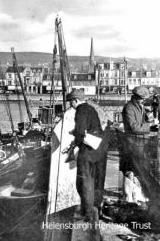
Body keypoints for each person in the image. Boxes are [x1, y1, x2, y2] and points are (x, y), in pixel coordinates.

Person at [66, 89, 110, 223]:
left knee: (83, 182)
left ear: (75, 101)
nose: (70, 105)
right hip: (99, 151)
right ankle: (95, 209)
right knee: (96, 180)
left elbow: (80, 131)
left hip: (88, 152)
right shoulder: (91, 108)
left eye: (70, 102)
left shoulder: (80, 110)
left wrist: (75, 139)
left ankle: (87, 212)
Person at [120, 86, 157, 204]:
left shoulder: (141, 107)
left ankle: (136, 196)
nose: (144, 101)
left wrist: (151, 119)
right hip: (131, 143)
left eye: (145, 99)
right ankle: (127, 197)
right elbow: (133, 127)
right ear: (135, 97)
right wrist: (149, 127)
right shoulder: (128, 108)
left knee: (138, 170)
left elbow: (145, 122)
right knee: (129, 170)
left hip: (141, 143)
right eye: (142, 99)